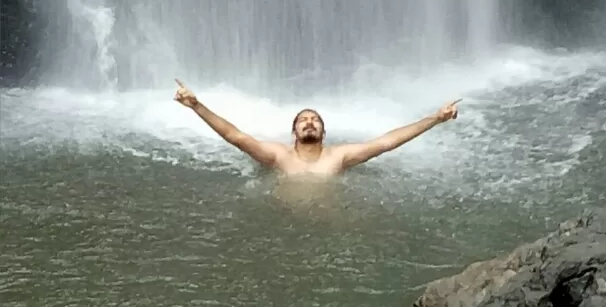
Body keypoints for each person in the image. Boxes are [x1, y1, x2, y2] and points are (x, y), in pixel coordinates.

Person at [173, 79, 460, 176]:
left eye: (315, 120)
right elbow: (234, 136)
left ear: (323, 133)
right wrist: (196, 105)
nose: (309, 122)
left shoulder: (339, 157)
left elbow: (388, 142)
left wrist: (435, 118)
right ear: (294, 133)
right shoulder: (278, 157)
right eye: (303, 120)